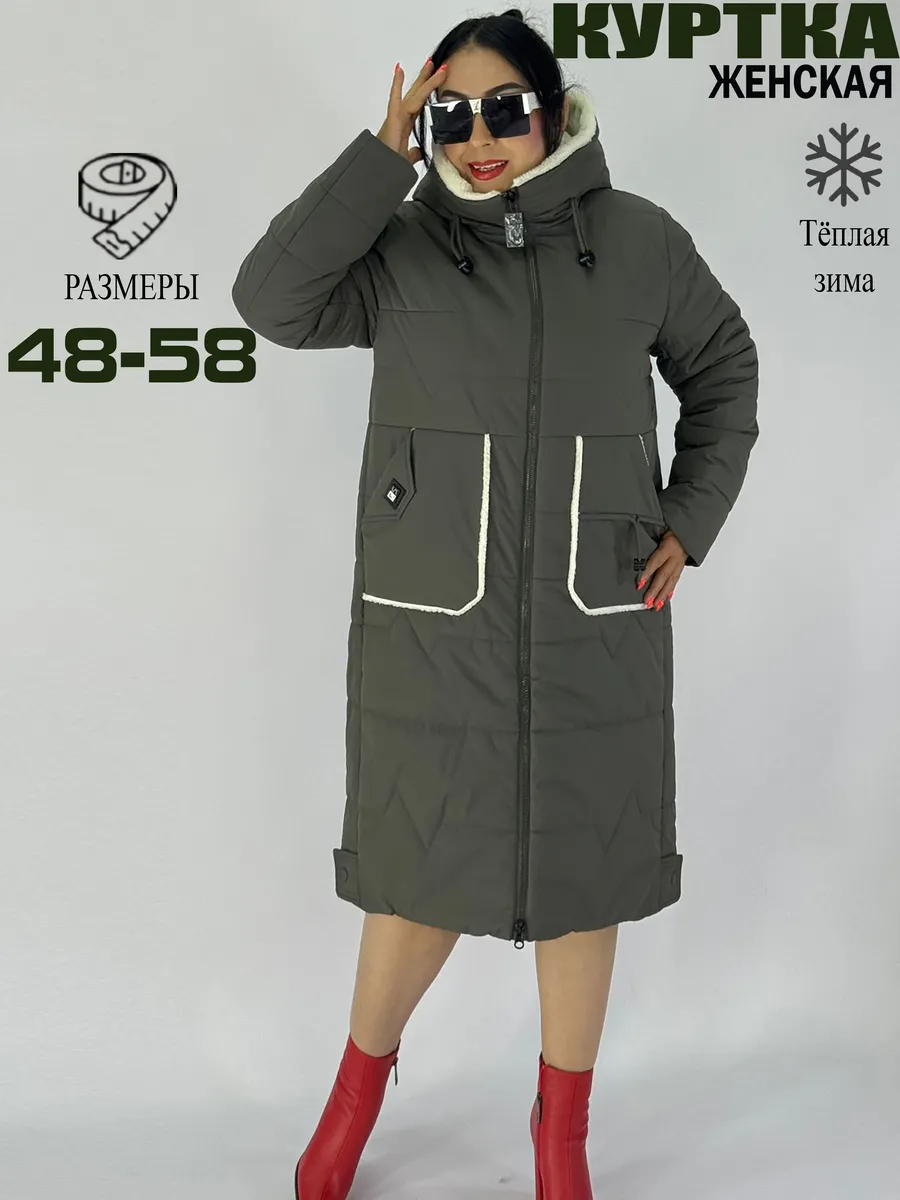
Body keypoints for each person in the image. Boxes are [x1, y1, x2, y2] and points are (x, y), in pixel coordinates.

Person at [231, 8, 759, 1199]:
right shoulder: (400, 248)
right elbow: (270, 298)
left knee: (580, 880)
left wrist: (690, 519)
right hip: (435, 629)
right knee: (415, 873)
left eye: (504, 110)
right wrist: (379, 159)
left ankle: (560, 1132)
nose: (478, 138)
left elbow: (724, 367)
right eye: (453, 117)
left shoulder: (639, 243)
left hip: (595, 618)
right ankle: (355, 1095)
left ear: (553, 111)